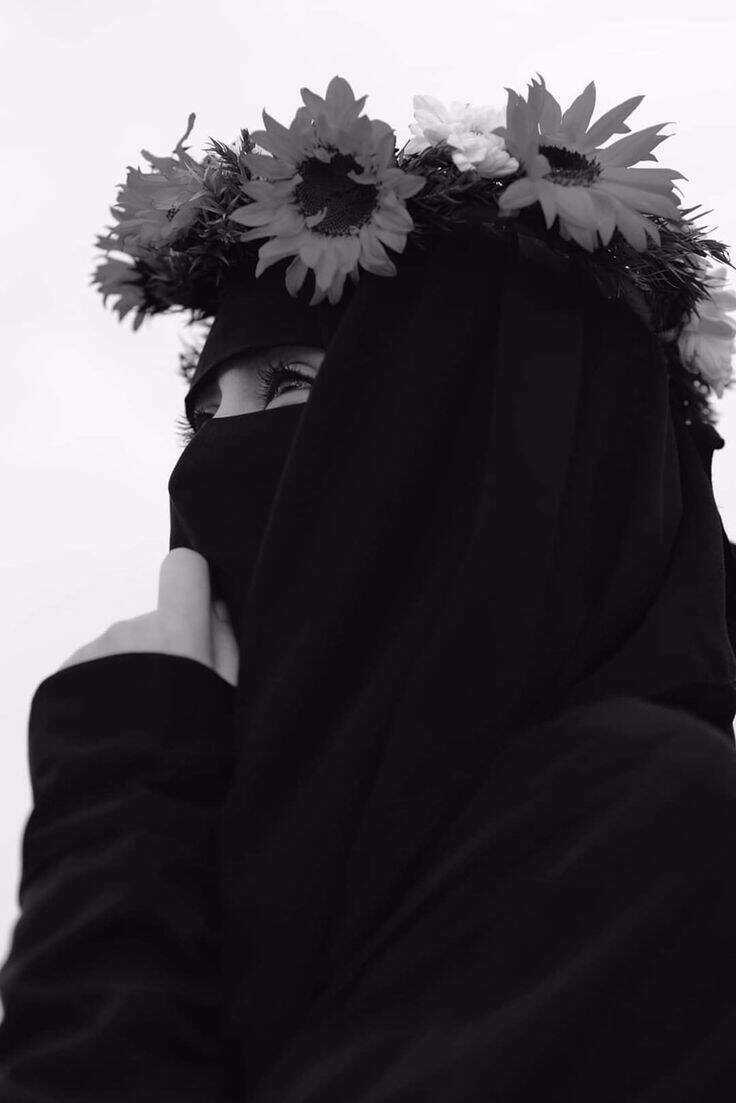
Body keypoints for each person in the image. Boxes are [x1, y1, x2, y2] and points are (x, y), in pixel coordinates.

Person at [1, 226, 736, 1102]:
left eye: (290, 386)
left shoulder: (651, 837)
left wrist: (114, 824)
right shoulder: (244, 830)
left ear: (479, 432)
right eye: (201, 418)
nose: (203, 467)